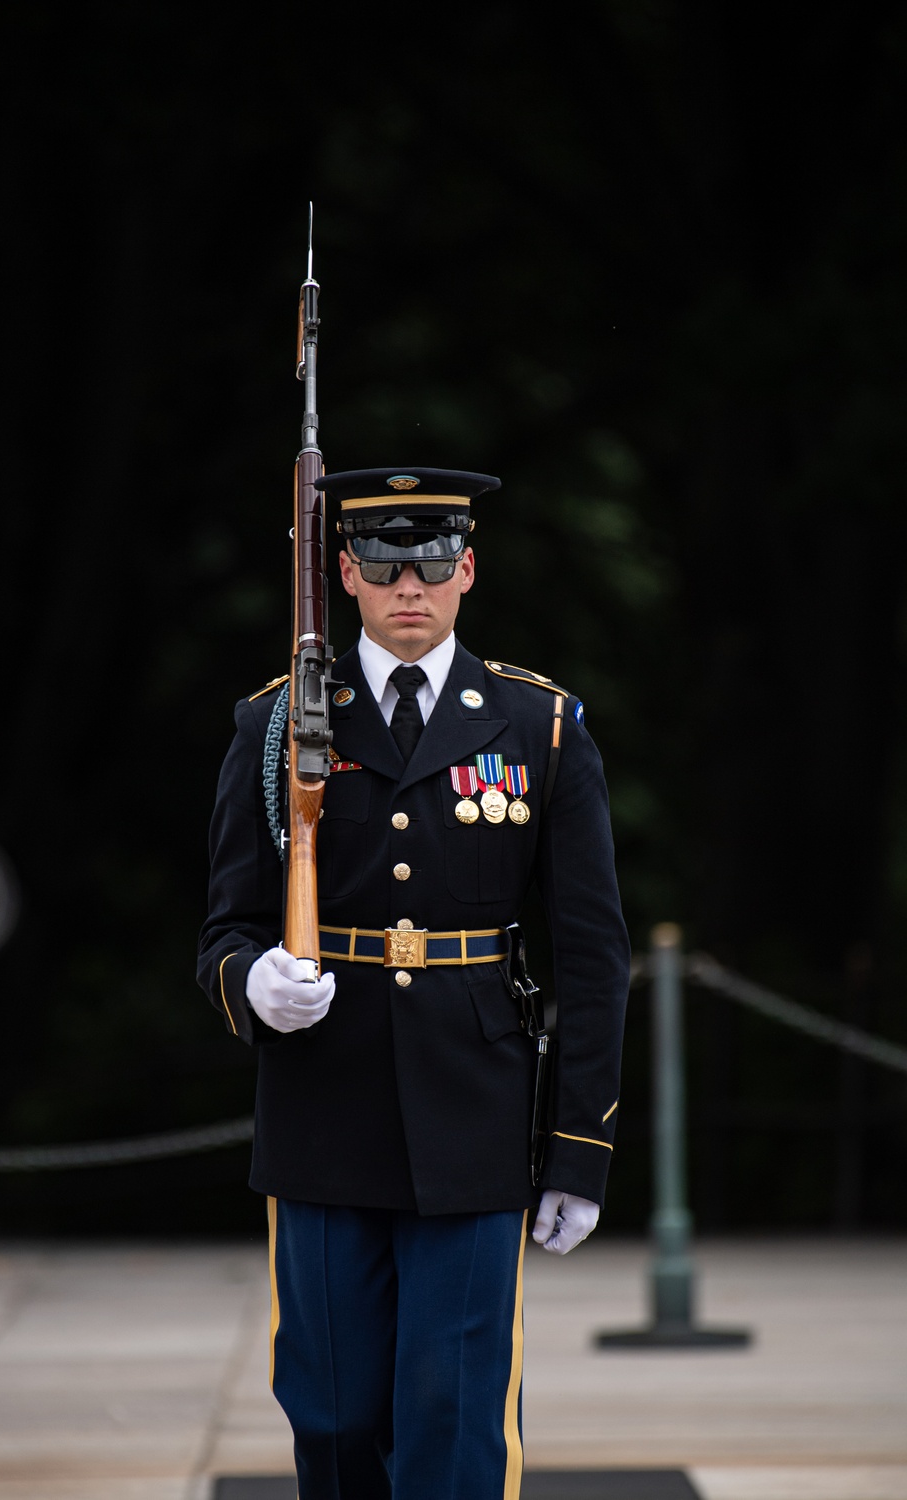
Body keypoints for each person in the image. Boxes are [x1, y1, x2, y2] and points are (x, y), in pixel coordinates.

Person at [198, 467, 630, 1500]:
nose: (410, 585)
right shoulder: (274, 727)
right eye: (385, 563)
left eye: (433, 562)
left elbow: (590, 952)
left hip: (473, 1115)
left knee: (454, 1409)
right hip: (322, 1104)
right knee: (334, 1410)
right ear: (343, 572)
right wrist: (251, 983)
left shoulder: (539, 727)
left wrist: (578, 1144)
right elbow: (226, 925)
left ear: (467, 570)